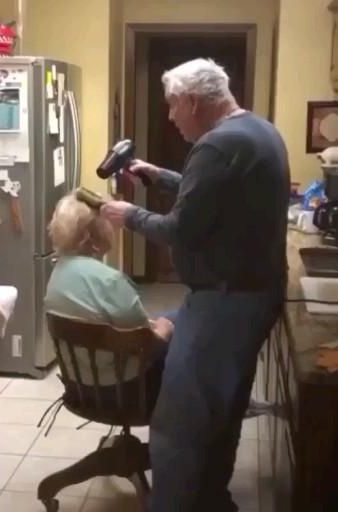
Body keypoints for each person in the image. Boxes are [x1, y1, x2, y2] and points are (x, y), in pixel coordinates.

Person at [101, 58, 290, 511]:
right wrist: (157, 175)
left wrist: (131, 217)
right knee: (221, 413)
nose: (170, 116)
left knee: (179, 423)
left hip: (225, 301)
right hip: (253, 295)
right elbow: (209, 194)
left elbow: (183, 227)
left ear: (191, 101)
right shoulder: (257, 131)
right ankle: (210, 499)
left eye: (172, 106)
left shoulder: (216, 146)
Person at [44, 193, 173, 413]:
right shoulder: (110, 281)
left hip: (78, 387)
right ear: (90, 238)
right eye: (107, 222)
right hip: (125, 391)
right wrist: (165, 328)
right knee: (178, 320)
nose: (113, 227)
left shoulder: (58, 273)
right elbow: (148, 343)